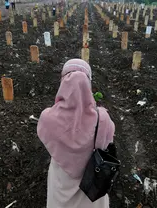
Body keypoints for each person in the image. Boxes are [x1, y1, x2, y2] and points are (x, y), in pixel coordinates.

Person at [37, 59, 115, 208]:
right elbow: (108, 143)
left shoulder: (47, 118)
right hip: (93, 187)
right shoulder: (103, 118)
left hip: (61, 184)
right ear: (88, 83)